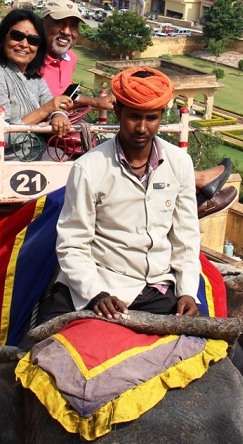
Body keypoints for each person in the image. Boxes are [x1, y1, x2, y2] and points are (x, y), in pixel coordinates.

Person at [39, 0, 236, 217]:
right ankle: (196, 186)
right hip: (49, 134)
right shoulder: (33, 57)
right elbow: (45, 100)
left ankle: (192, 192)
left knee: (143, 140)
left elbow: (64, 94)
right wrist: (93, 102)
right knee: (127, 146)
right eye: (60, 23)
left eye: (73, 26)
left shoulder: (69, 58)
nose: (67, 31)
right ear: (43, 23)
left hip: (67, 127)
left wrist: (89, 103)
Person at [41, 67, 200, 323]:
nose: (142, 128)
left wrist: (187, 292)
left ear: (161, 116)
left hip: (155, 289)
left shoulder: (179, 163)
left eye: (151, 118)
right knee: (42, 349)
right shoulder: (90, 167)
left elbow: (186, 236)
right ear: (117, 112)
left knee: (214, 352)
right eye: (134, 117)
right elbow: (73, 242)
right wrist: (96, 294)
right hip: (100, 283)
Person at [0, 9, 73, 160]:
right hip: (10, 168)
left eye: (33, 40)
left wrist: (58, 115)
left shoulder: (35, 79)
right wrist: (45, 110)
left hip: (41, 157)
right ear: (3, 38)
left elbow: (53, 106)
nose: (24, 44)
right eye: (17, 36)